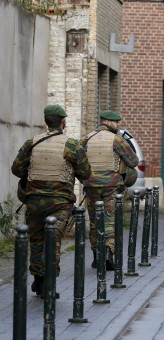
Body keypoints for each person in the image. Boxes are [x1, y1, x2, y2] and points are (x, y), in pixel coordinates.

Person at [11, 104, 91, 297]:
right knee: (52, 242)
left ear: (46, 120)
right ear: (63, 121)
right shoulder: (71, 145)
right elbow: (85, 173)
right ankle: (49, 285)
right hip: (59, 204)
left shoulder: (32, 143)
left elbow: (16, 169)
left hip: (34, 202)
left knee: (37, 241)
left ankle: (38, 280)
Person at [80, 111, 138, 270]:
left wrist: (85, 181)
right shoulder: (117, 140)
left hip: (91, 186)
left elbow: (77, 163)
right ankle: (107, 253)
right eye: (116, 123)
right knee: (109, 219)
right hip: (111, 186)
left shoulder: (86, 138)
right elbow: (134, 161)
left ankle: (95, 256)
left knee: (94, 221)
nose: (118, 126)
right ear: (109, 122)